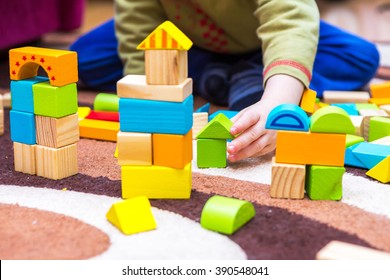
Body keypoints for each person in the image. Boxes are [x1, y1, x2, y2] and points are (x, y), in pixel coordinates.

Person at [70, 0, 380, 162]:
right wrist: (153, 96)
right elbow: (137, 30)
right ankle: (218, 72)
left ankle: (253, 72)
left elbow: (291, 20)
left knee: (359, 57)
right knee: (83, 58)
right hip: (183, 41)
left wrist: (278, 103)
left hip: (261, 40)